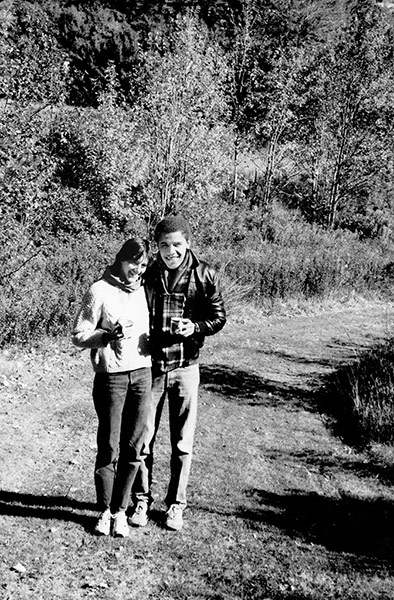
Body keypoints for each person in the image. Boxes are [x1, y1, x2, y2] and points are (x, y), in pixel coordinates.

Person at [129, 216, 226, 531]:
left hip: (186, 367)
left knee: (182, 443)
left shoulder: (204, 274)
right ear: (156, 246)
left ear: (188, 244)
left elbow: (218, 315)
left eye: (177, 245)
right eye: (164, 245)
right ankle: (141, 502)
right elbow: (126, 300)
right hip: (150, 367)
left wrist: (195, 327)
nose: (171, 251)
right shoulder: (148, 273)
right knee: (142, 440)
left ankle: (175, 506)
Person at [72, 237, 151, 538]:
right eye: (134, 263)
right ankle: (104, 511)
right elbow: (78, 336)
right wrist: (105, 335)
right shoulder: (99, 290)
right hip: (111, 379)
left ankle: (121, 511)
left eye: (143, 266)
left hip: (142, 375)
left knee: (134, 448)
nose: (137, 270)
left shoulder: (145, 290)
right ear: (121, 259)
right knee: (109, 447)